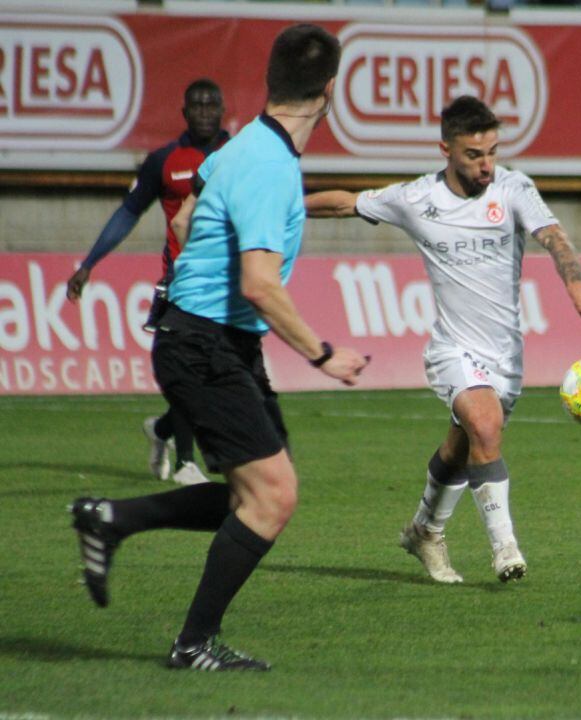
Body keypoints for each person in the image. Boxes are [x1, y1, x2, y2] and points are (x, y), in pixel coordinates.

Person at [69, 24, 368, 671]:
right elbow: (261, 285)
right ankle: (192, 643)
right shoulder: (268, 164)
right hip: (206, 343)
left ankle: (109, 517)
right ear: (331, 91)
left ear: (272, 81)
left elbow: (180, 221)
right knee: (272, 497)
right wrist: (324, 354)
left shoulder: (238, 150)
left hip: (210, 337)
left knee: (255, 495)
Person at [305, 96, 581, 584]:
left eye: (492, 151)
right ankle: (505, 547)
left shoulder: (513, 187)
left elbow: (553, 235)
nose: (487, 165)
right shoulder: (416, 200)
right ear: (445, 149)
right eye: (474, 155)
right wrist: (280, 209)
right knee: (484, 427)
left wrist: (575, 283)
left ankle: (425, 531)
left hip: (505, 355)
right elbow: (344, 202)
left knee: (461, 447)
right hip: (453, 349)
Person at [66, 78, 229, 486]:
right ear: (184, 113)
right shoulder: (165, 160)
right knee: (192, 370)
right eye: (197, 105)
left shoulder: (240, 153)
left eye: (212, 104)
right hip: (183, 280)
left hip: (230, 281)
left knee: (221, 375)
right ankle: (184, 464)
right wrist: (89, 263)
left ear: (222, 110)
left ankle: (161, 431)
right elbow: (128, 213)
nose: (205, 111)